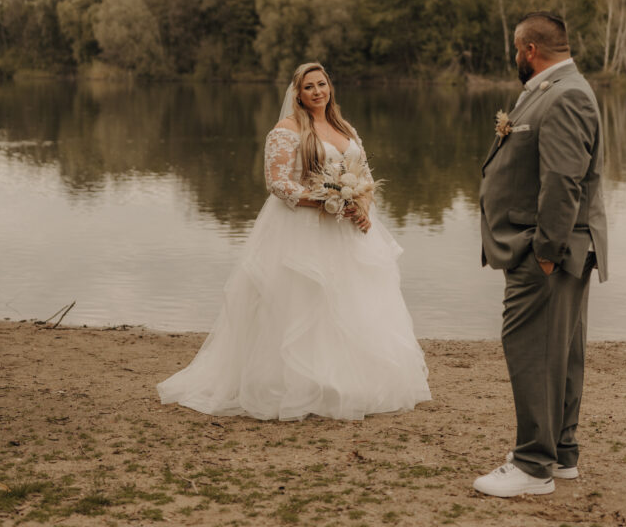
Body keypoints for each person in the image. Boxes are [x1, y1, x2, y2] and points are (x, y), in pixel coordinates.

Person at [157, 62, 430, 420]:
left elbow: (364, 175)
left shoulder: (343, 128)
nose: (317, 91)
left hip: (346, 229)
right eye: (308, 87)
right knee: (304, 304)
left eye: (322, 84)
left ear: (330, 87)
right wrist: (325, 200)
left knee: (349, 304)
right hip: (302, 228)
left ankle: (347, 384)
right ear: (297, 94)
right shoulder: (286, 130)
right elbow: (277, 182)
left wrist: (360, 205)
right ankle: (296, 387)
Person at [473, 12, 609, 497]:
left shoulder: (567, 94)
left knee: (532, 351)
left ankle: (533, 466)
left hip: (548, 251)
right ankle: (561, 452)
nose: (515, 58)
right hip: (551, 249)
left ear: (529, 49)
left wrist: (546, 252)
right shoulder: (550, 89)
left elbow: (563, 180)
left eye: (516, 50)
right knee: (562, 353)